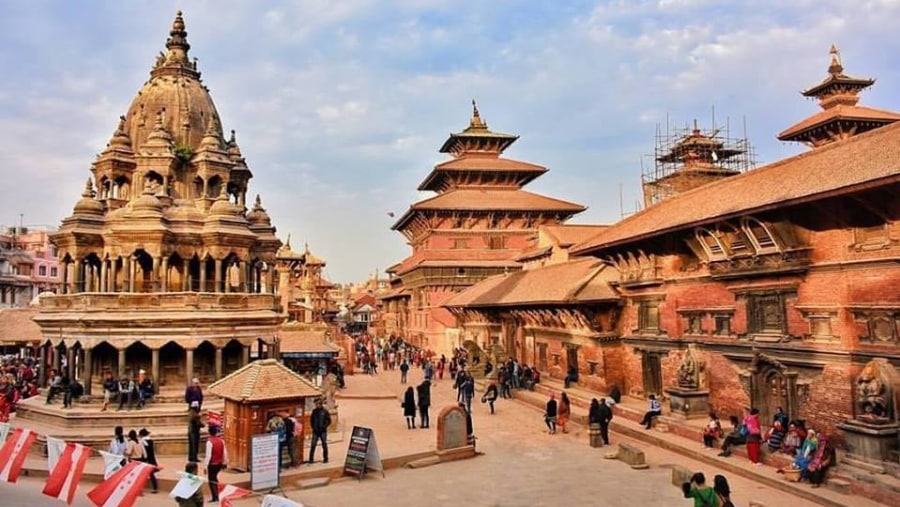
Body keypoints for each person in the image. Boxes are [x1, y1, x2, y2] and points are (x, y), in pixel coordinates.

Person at [204, 425, 228, 505]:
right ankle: (217, 495)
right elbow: (225, 453)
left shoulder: (209, 442)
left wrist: (205, 466)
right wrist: (225, 462)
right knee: (215, 479)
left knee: (212, 481)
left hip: (212, 464)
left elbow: (208, 455)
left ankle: (215, 498)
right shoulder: (221, 441)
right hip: (219, 463)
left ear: (209, 432)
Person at [308, 398, 331, 464]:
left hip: (323, 431)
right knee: (313, 444)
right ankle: (311, 459)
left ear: (320, 404)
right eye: (315, 404)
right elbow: (311, 420)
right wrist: (313, 427)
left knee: (324, 444)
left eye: (317, 404)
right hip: (315, 431)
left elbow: (328, 420)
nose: (316, 405)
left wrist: (324, 426)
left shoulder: (325, 411)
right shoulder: (314, 411)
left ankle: (325, 458)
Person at [139, 428, 159, 494]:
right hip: (152, 459)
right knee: (151, 474)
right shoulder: (150, 441)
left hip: (146, 459)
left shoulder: (142, 441)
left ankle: (140, 488)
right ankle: (155, 488)